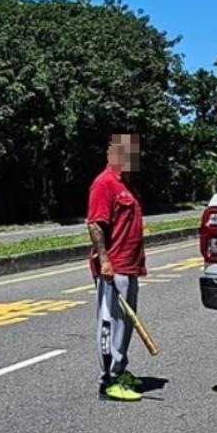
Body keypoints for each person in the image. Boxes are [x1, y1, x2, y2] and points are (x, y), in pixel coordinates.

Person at [87, 133, 147, 402]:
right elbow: (95, 224)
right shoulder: (104, 184)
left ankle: (120, 369)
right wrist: (104, 261)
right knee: (111, 324)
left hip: (130, 266)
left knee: (126, 325)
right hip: (114, 268)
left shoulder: (128, 185)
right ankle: (108, 381)